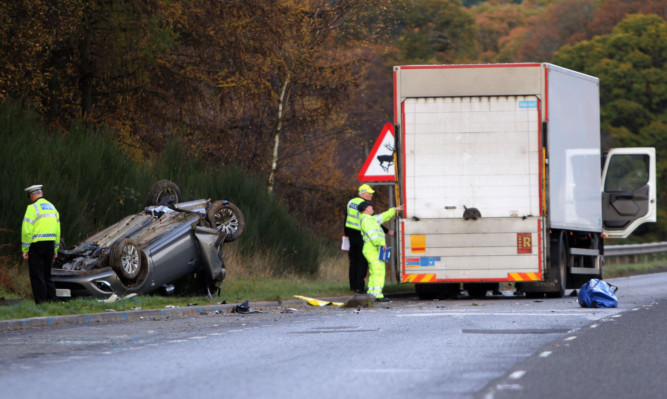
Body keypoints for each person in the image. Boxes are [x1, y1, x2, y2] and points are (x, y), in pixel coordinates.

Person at [21, 185, 60, 304]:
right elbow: (57, 230)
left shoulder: (32, 208)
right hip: (50, 245)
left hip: (36, 246)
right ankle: (52, 301)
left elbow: (27, 231)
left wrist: (25, 249)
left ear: (31, 196)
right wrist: (56, 249)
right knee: (47, 274)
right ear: (41, 193)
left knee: (37, 275)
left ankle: (42, 303)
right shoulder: (53, 207)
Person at [358, 200, 403, 302]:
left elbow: (382, 217)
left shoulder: (370, 219)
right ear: (366, 208)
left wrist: (394, 210)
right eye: (371, 206)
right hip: (373, 248)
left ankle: (372, 293)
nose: (372, 208)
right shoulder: (367, 220)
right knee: (378, 270)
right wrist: (381, 243)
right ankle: (377, 294)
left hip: (372, 248)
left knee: (375, 271)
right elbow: (373, 235)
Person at [344, 184, 375, 293]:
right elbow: (372, 222)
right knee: (362, 261)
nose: (371, 195)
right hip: (362, 235)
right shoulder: (365, 205)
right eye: (369, 193)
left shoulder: (351, 202)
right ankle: (359, 287)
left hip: (352, 234)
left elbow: (346, 218)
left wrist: (346, 234)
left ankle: (353, 286)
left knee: (353, 261)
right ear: (364, 194)